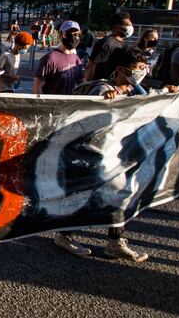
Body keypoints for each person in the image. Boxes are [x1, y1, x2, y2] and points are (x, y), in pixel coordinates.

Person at [53, 47, 151, 262]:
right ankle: (65, 235)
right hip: (91, 155)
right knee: (88, 196)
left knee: (118, 195)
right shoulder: (101, 90)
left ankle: (114, 241)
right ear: (120, 70)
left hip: (114, 154)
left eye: (144, 67)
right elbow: (84, 123)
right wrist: (103, 102)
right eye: (137, 68)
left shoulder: (132, 92)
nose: (142, 72)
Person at [33, 21, 84, 95]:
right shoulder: (50, 58)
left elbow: (83, 83)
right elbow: (37, 88)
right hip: (52, 105)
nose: (74, 37)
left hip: (68, 105)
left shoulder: (76, 59)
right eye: (69, 33)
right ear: (61, 34)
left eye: (77, 34)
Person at [84, 12, 134, 81]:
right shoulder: (106, 43)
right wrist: (88, 86)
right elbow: (91, 66)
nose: (131, 28)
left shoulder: (124, 44)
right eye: (128, 25)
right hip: (101, 85)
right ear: (118, 27)